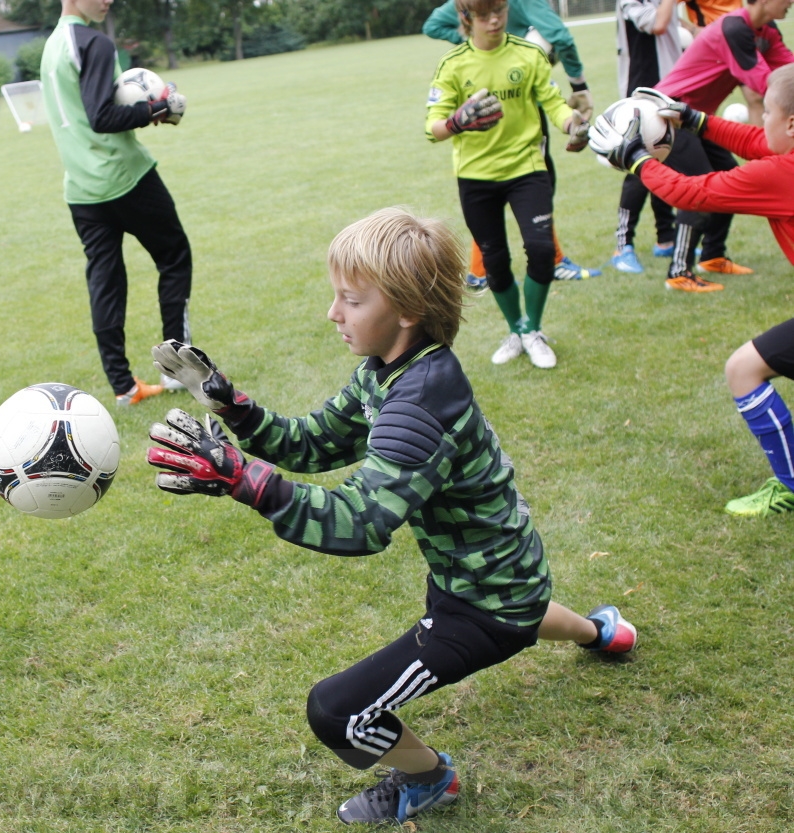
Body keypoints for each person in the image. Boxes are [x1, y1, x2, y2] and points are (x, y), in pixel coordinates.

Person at [145, 207, 637, 827]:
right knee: (524, 607)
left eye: (350, 299)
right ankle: (603, 631)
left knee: (336, 712)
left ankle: (432, 777)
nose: (333, 313)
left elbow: (360, 523)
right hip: (507, 572)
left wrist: (246, 481)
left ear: (406, 310)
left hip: (482, 604)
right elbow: (315, 441)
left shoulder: (418, 404)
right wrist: (230, 404)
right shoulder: (395, 370)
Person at [591, 64, 794, 515]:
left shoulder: (783, 174)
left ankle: (791, 486)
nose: (759, 122)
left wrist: (637, 158)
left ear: (792, 124)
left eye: (767, 113)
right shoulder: (784, 156)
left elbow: (690, 194)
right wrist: (694, 119)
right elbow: (757, 143)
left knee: (743, 369)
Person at [40, 0, 192, 407]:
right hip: (126, 177)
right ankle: (178, 368)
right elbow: (101, 116)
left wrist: (144, 110)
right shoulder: (95, 43)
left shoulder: (52, 46)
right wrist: (158, 107)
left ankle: (124, 387)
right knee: (175, 257)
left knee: (106, 282)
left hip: (81, 190)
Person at [425, 0, 590, 369]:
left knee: (542, 251)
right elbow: (431, 127)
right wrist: (457, 122)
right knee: (495, 261)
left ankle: (532, 329)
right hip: (476, 176)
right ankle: (516, 329)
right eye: (484, 15)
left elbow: (555, 103)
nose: (495, 20)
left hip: (527, 169)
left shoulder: (529, 55)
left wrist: (573, 124)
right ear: (466, 19)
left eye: (499, 10)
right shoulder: (453, 65)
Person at [650, 0, 793, 292]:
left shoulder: (766, 30)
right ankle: (679, 271)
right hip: (670, 116)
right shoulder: (735, 28)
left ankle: (712, 254)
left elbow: (788, 73)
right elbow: (767, 84)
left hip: (698, 119)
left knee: (728, 171)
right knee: (701, 185)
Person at [610, 0, 683, 274]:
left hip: (671, 87)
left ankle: (665, 238)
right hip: (643, 91)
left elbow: (671, 22)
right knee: (639, 169)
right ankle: (622, 246)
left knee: (665, 160)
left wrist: (691, 28)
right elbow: (658, 24)